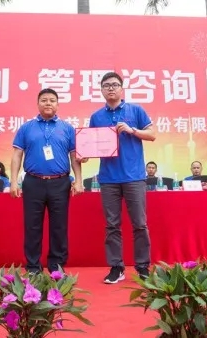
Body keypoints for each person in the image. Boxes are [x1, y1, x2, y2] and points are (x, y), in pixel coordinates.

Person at [83, 71, 156, 284]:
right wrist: (83, 154)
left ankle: (142, 267)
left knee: (139, 223)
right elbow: (91, 144)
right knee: (112, 225)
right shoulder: (97, 117)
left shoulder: (135, 110)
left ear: (122, 88)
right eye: (106, 85)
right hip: (108, 178)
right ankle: (116, 267)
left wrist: (132, 130)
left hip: (134, 177)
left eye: (115, 84)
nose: (111, 88)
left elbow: (152, 134)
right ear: (101, 90)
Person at [10, 88, 83, 274]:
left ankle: (56, 267)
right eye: (44, 100)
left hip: (60, 183)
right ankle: (33, 267)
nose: (48, 103)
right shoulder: (26, 128)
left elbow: (74, 156)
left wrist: (79, 180)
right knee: (32, 225)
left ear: (58, 105)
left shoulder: (67, 128)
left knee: (59, 226)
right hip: (33, 182)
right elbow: (17, 155)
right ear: (38, 104)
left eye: (52, 100)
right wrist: (13, 181)